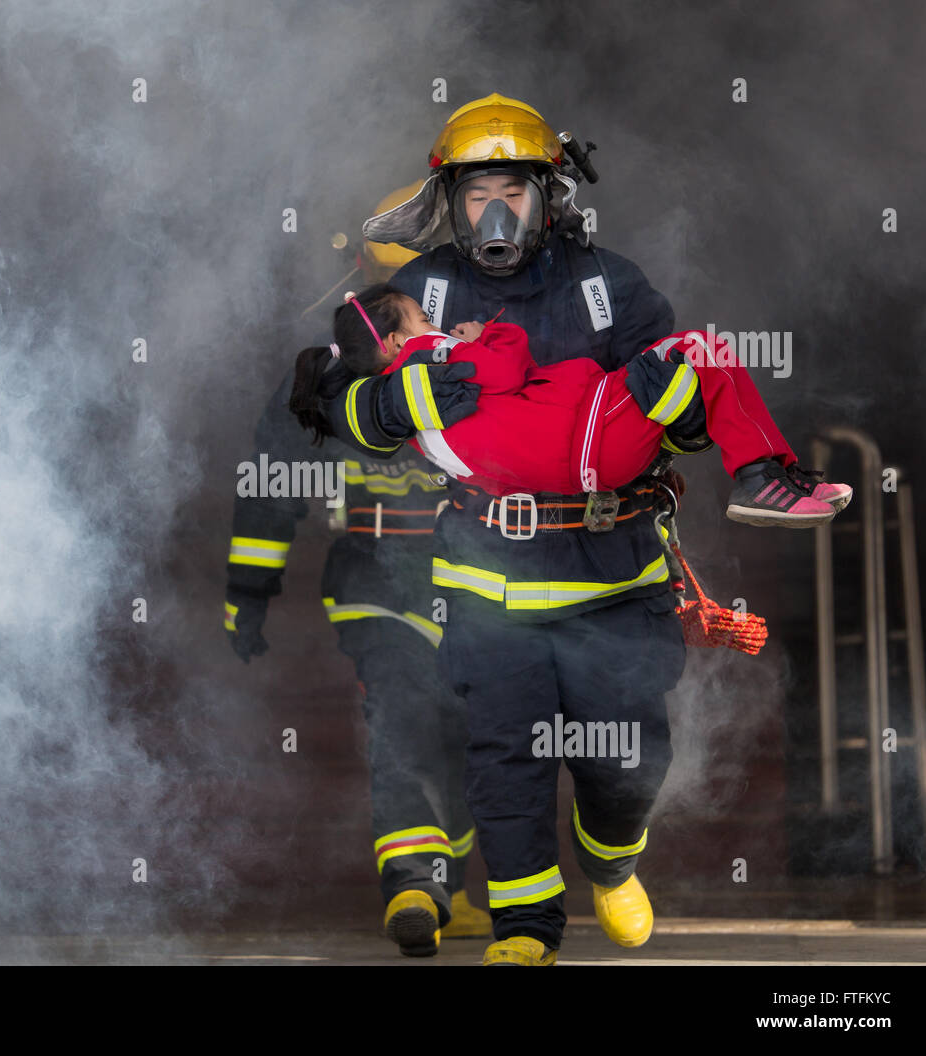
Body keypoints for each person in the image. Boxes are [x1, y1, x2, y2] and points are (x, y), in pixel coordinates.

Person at [300, 93, 789, 965]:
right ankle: (528, 932)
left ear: (551, 194)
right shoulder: (418, 292)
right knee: (506, 761)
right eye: (477, 193)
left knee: (627, 759)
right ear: (447, 202)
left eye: (514, 193)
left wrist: (673, 419)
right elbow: (335, 403)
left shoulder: (613, 287)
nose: (495, 213)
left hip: (616, 567)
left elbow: (677, 404)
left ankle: (613, 862)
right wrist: (389, 400)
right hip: (489, 582)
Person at [223, 194, 490, 957]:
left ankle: (454, 881)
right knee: (405, 720)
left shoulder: (489, 355)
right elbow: (274, 481)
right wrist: (249, 590)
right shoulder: (324, 376)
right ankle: (414, 879)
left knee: (475, 738)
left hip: (487, 588)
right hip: (377, 582)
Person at [292, 285, 852, 528]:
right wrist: (487, 333)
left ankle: (772, 478)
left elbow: (495, 466)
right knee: (702, 350)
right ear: (393, 341)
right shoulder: (427, 354)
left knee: (679, 370)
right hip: (596, 432)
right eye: (420, 316)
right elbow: (509, 370)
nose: (432, 323)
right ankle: (763, 477)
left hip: (589, 466)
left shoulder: (422, 432)